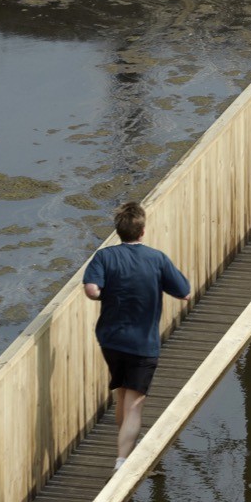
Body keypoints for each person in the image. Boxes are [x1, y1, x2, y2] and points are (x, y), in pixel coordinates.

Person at [82, 200, 191, 471]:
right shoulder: (156, 259)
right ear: (142, 231)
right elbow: (184, 292)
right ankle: (122, 460)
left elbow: (92, 290)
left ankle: (124, 447)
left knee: (123, 393)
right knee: (134, 402)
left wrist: (107, 294)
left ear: (119, 231)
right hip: (143, 342)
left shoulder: (104, 257)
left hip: (110, 338)